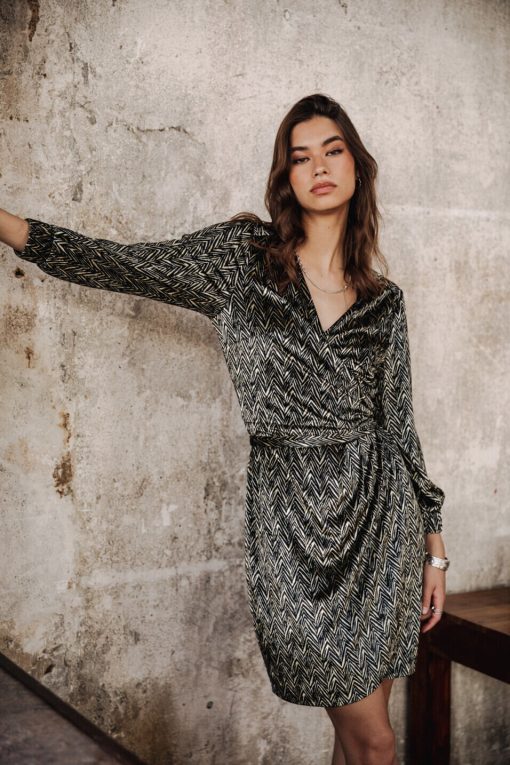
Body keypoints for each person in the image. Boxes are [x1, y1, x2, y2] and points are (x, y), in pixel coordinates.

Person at [1, 92, 448, 765]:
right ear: (285, 177)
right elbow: (125, 264)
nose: (319, 166)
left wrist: (433, 546)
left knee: (361, 737)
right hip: (292, 524)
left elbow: (399, 425)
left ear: (357, 167)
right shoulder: (242, 261)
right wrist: (10, 227)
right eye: (300, 156)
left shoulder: (384, 301)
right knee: (375, 741)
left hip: (382, 527)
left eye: (333, 151)